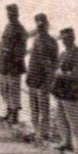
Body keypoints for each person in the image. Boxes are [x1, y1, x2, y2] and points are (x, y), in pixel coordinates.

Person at [49, 27, 78, 154]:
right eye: (63, 40)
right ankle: (66, 142)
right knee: (60, 119)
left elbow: (77, 74)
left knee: (74, 122)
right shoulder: (63, 54)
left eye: (66, 39)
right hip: (59, 91)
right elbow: (55, 69)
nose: (64, 42)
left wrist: (61, 74)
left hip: (71, 93)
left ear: (72, 38)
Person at [25, 14, 58, 144]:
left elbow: (53, 63)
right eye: (38, 26)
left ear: (46, 25)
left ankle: (43, 133)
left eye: (42, 25)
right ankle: (37, 131)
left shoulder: (51, 42)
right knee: (35, 107)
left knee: (43, 108)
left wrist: (50, 79)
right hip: (33, 77)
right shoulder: (37, 40)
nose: (40, 28)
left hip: (43, 79)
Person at [0, 4, 27, 125]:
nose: (10, 16)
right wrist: (0, 60)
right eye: (8, 14)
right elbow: (3, 44)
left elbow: (22, 49)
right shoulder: (7, 26)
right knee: (4, 88)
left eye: (12, 14)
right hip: (4, 63)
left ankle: (15, 114)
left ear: (16, 14)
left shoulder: (20, 29)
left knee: (14, 89)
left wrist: (14, 57)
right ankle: (9, 110)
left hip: (14, 65)